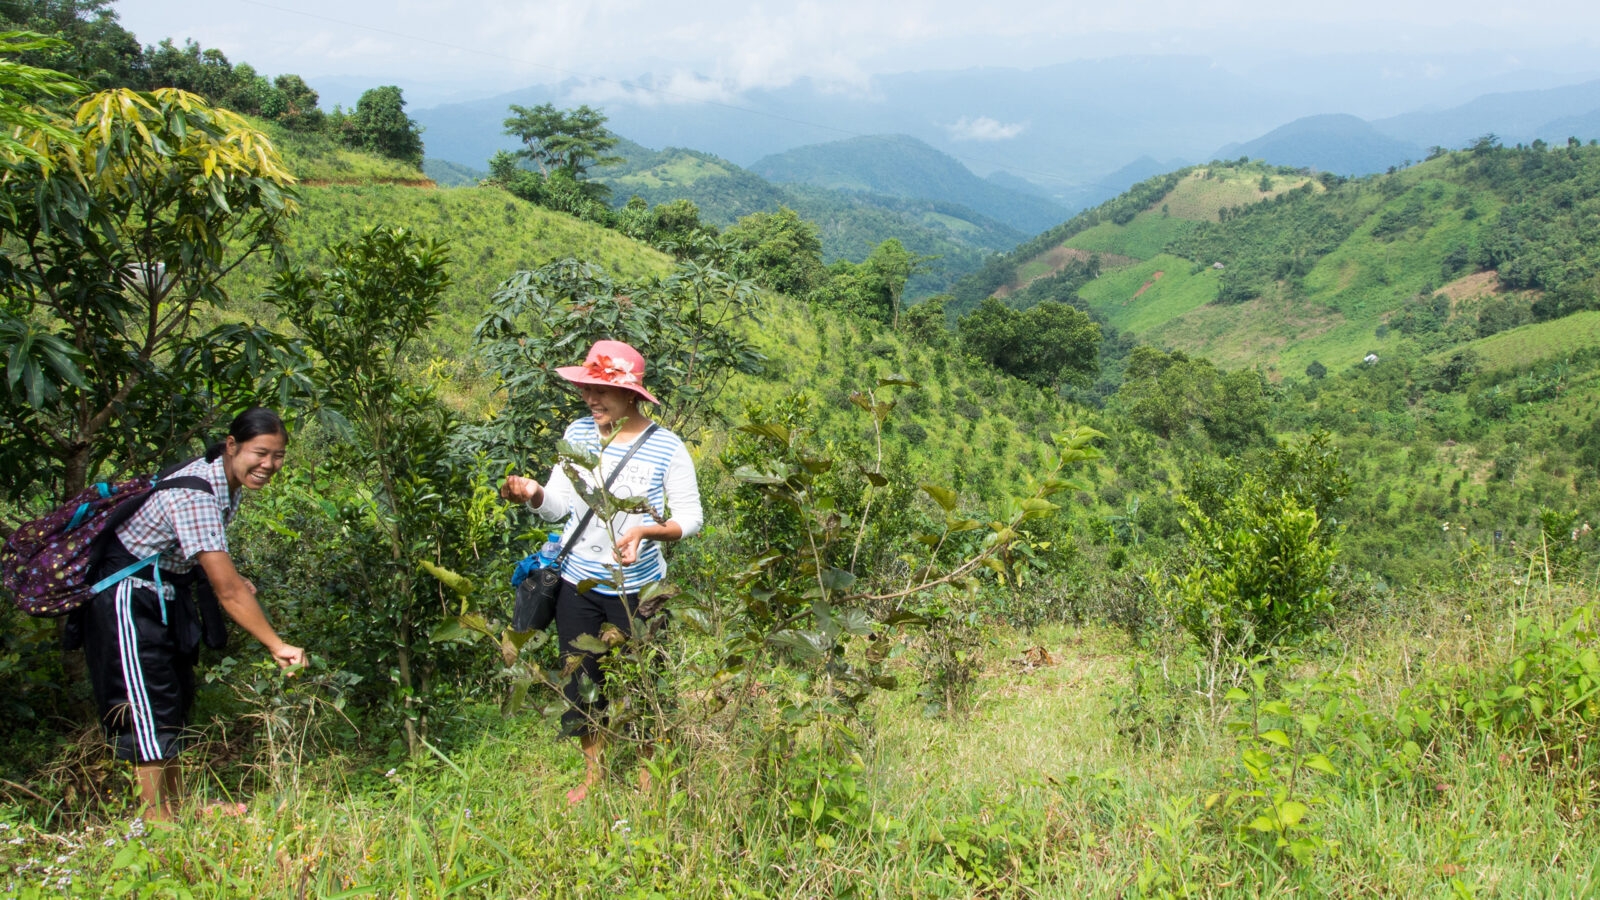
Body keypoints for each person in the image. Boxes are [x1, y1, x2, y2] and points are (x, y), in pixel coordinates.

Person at [499, 340, 703, 805]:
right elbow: (558, 509)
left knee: (645, 681)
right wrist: (531, 493)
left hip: (640, 591)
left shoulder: (667, 447)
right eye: (586, 389)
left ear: (631, 395)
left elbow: (691, 517)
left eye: (602, 391)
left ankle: (651, 779)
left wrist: (647, 532)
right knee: (581, 679)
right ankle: (595, 775)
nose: (591, 399)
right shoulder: (578, 434)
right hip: (579, 584)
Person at [80, 407, 304, 820]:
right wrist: (277, 644)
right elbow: (228, 590)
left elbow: (199, 554)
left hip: (167, 593)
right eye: (260, 452)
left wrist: (228, 578)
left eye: (278, 455)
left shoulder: (224, 479)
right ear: (232, 445)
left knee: (171, 701)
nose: (269, 464)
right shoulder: (198, 492)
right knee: (146, 712)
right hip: (128, 601)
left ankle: (178, 807)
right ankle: (156, 822)